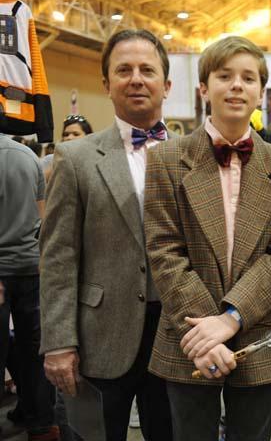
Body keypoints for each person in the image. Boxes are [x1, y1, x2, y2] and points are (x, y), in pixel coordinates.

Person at [143, 35, 271, 440]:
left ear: (260, 92)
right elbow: (165, 252)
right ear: (203, 88)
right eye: (224, 76)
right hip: (189, 333)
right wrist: (206, 332)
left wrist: (230, 319)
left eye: (248, 78)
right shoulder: (166, 159)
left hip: (258, 330)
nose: (237, 85)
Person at [39, 29, 174, 441]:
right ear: (106, 84)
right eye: (124, 70)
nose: (136, 78)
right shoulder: (75, 158)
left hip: (176, 335)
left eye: (147, 69)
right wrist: (59, 342)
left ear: (166, 85)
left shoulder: (192, 156)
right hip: (99, 335)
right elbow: (58, 255)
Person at [0, 134, 59, 440]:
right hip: (32, 266)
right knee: (33, 349)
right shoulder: (28, 157)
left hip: (5, 269)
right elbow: (43, 217)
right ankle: (39, 421)